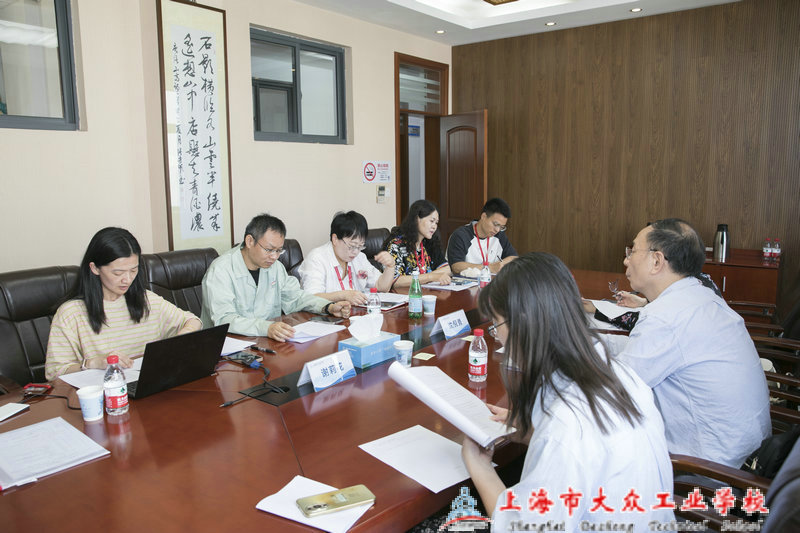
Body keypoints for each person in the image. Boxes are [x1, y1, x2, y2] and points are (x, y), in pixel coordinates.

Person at [461, 253, 673, 529]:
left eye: (497, 325)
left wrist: (479, 467)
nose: (498, 336)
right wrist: (532, 430)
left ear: (523, 324)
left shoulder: (566, 425)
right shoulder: (621, 374)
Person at [616, 218, 770, 467]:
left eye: (632, 251)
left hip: (710, 472)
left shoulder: (666, 317)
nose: (626, 260)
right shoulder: (700, 296)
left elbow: (617, 389)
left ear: (657, 261)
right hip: (749, 454)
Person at [45, 227, 202, 380]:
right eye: (118, 273)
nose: (127, 279)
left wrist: (181, 338)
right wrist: (92, 363)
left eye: (133, 270)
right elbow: (54, 372)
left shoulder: (146, 300)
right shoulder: (71, 313)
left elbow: (192, 320)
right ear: (95, 268)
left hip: (148, 385)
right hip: (106, 391)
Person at [201, 214, 350, 341]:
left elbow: (295, 297)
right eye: (269, 249)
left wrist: (328, 307)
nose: (274, 256)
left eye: (279, 250)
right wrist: (266, 328)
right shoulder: (221, 270)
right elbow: (224, 319)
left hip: (267, 341)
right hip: (229, 346)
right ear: (250, 241)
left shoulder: (275, 267)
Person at [298, 211, 395, 305]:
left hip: (356, 312)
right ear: (335, 239)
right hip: (325, 315)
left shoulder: (360, 258)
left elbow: (381, 286)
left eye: (360, 246)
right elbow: (311, 298)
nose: (356, 251)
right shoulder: (316, 259)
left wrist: (390, 266)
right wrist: (344, 295)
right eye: (352, 246)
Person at [385, 199, 451, 288]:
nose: (434, 226)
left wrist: (431, 276)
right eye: (431, 221)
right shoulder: (396, 245)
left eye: (436, 223)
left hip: (426, 292)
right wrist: (430, 277)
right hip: (405, 294)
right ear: (417, 219)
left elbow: (447, 269)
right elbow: (394, 281)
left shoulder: (429, 242)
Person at [446, 197, 518, 275]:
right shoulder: (461, 235)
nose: (497, 230)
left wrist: (501, 264)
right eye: (495, 224)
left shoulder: (499, 235)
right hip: (466, 281)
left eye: (502, 227)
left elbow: (514, 257)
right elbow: (456, 266)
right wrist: (488, 267)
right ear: (483, 216)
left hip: (491, 281)